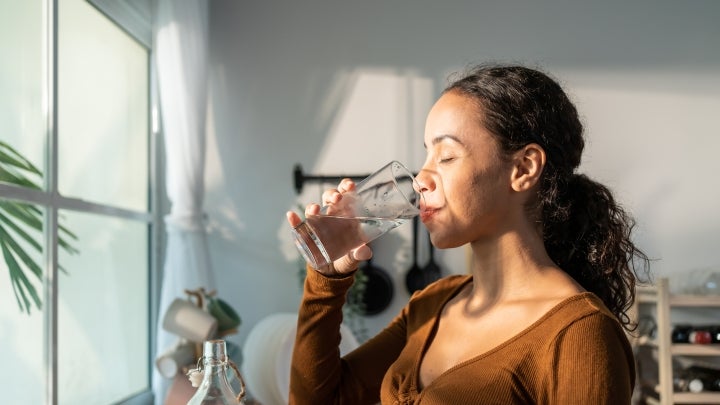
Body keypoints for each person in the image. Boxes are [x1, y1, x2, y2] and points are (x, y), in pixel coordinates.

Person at [285, 63, 650, 404]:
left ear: (523, 168)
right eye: (426, 155)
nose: (420, 179)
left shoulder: (579, 336)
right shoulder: (432, 304)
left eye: (445, 156)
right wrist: (327, 279)